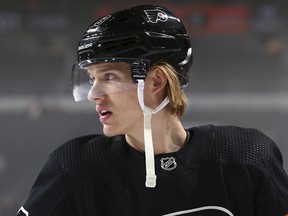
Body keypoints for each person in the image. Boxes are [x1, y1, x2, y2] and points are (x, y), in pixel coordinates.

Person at [17, 4, 288, 216]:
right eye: (92, 78)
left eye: (109, 77)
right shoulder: (73, 169)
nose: (93, 94)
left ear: (157, 81)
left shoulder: (248, 157)